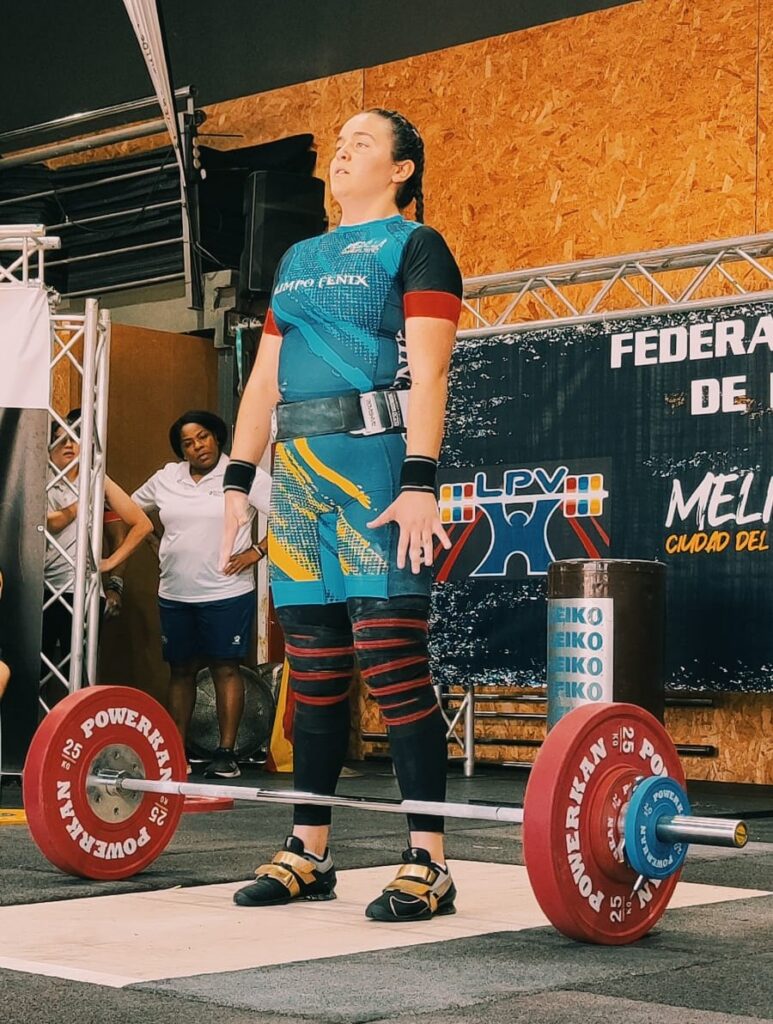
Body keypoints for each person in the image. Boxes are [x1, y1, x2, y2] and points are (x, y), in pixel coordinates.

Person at [221, 108, 463, 921]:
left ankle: (428, 861)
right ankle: (308, 852)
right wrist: (235, 487)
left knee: (392, 667)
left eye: (363, 142)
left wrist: (422, 480)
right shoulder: (296, 257)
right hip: (297, 481)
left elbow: (429, 375)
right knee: (315, 674)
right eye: (337, 143)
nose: (341, 152)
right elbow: (261, 384)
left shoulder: (414, 245)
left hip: (380, 471)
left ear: (401, 169)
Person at [132, 411, 271, 779]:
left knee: (225, 668)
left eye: (203, 437)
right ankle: (175, 754)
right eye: (188, 443)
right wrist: (151, 542)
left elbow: (289, 511)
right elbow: (130, 511)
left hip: (226, 590)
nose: (197, 446)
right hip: (175, 591)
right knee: (181, 670)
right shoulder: (167, 477)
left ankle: (226, 754)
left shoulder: (240, 474)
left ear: (217, 438)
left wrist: (257, 551)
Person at [42, 412, 153, 706]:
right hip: (40, 589)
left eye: (77, 439)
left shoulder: (97, 478)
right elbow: (50, 523)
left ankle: (75, 736)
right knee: (35, 669)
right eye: (61, 438)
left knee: (79, 673)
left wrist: (109, 562)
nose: (69, 444)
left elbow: (142, 524)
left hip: (84, 590)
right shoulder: (40, 477)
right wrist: (84, 503)